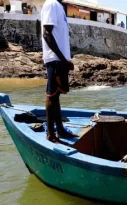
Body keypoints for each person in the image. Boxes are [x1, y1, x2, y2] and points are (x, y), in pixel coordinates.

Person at [41, 0, 78, 143]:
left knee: (56, 96)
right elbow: (47, 34)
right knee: (52, 95)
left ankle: (60, 130)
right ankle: (51, 134)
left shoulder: (59, 7)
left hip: (58, 59)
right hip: (55, 59)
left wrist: (65, 60)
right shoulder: (51, 4)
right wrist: (63, 60)